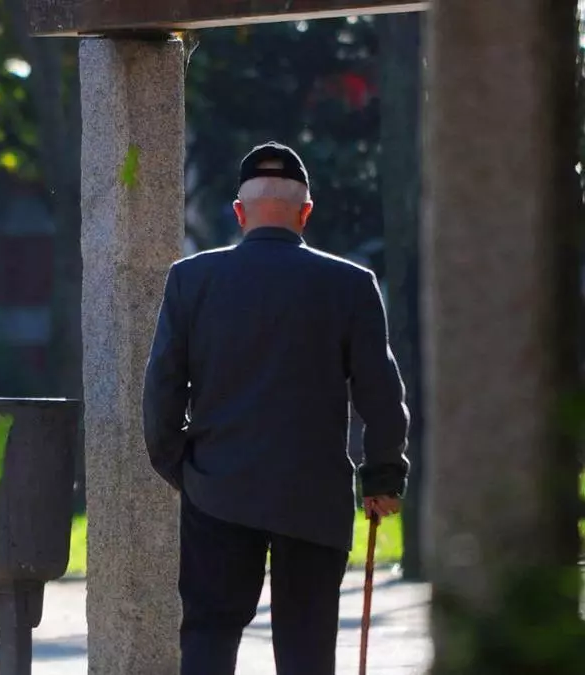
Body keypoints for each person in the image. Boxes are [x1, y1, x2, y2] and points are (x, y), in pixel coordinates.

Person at [142, 141, 410, 675]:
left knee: (209, 634)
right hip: (314, 494)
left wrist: (183, 468)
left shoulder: (191, 280)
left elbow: (162, 388)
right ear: (305, 212)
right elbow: (381, 394)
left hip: (218, 486)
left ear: (239, 213)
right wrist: (382, 475)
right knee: (307, 647)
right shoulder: (351, 285)